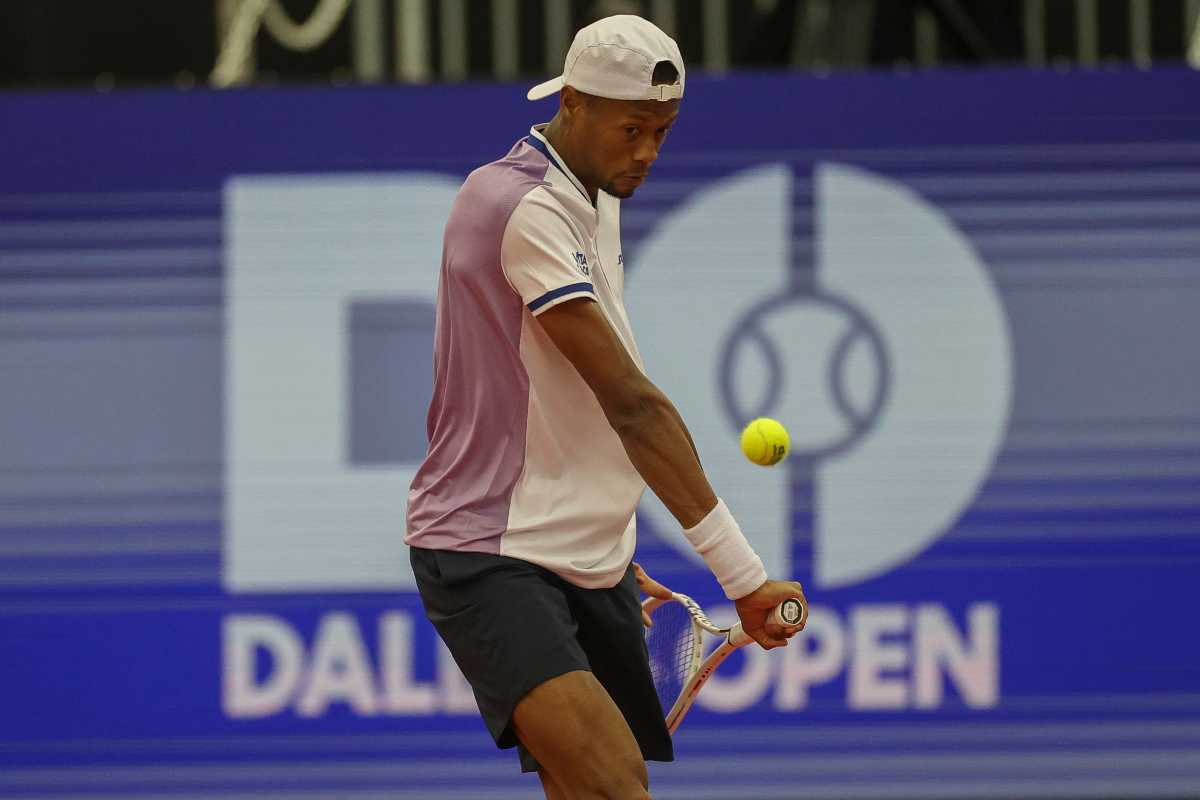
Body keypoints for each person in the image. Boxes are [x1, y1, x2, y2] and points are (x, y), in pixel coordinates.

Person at [405, 14, 807, 800]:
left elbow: (557, 398)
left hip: (582, 555)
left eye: (664, 130)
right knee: (612, 785)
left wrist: (602, 533)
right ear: (576, 103)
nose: (649, 151)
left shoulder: (594, 194)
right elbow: (630, 404)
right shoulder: (519, 206)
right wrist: (744, 578)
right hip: (489, 553)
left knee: (576, 788)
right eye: (633, 128)